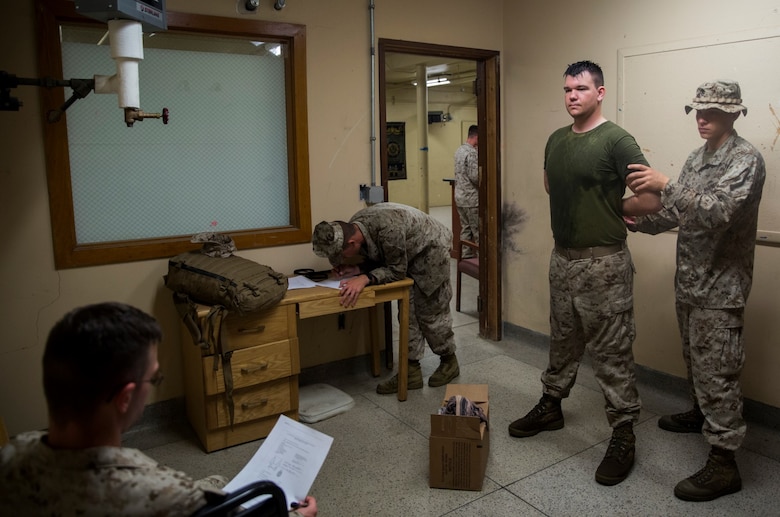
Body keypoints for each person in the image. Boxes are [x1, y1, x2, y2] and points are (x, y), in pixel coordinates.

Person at [0, 302, 317, 517]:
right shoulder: (162, 495)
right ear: (125, 398)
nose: (156, 382)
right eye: (154, 377)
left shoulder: (12, 459)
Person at [506, 60, 661, 486]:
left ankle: (624, 432)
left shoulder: (617, 140)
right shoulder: (556, 139)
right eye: (567, 89)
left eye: (580, 88)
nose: (572, 95)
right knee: (563, 339)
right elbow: (552, 185)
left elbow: (650, 200)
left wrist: (612, 208)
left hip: (603, 264)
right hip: (563, 259)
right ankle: (551, 405)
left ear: (600, 93)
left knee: (611, 353)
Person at [625, 80, 765, 502]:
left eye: (712, 112)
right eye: (698, 111)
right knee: (696, 358)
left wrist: (665, 183)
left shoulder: (746, 160)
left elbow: (717, 212)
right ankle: (700, 413)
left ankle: (724, 464)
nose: (702, 119)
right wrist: (636, 222)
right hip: (690, 281)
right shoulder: (697, 157)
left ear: (735, 113)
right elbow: (674, 212)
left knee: (717, 371)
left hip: (721, 288)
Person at [311, 202, 460, 394]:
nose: (340, 259)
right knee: (409, 312)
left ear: (351, 243)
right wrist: (358, 269)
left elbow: (396, 271)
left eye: (340, 254)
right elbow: (384, 255)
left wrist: (365, 278)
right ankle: (411, 371)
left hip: (431, 250)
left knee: (431, 311)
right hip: (409, 252)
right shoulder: (356, 226)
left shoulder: (388, 229)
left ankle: (449, 361)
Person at [454, 124, 479, 258]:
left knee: (466, 228)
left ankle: (466, 255)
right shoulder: (472, 153)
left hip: (460, 198)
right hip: (472, 199)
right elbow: (475, 177)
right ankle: (483, 261)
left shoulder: (459, 150)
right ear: (477, 137)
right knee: (478, 230)